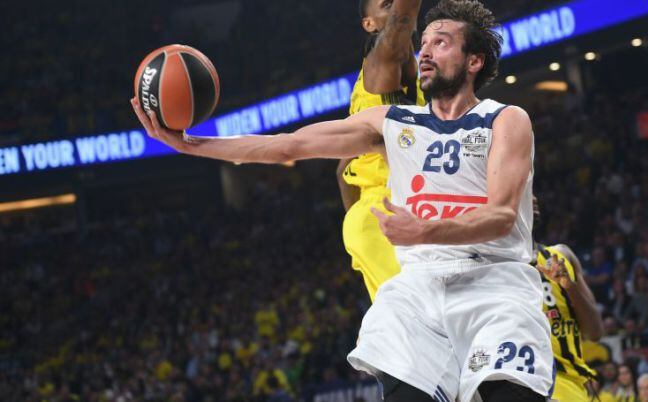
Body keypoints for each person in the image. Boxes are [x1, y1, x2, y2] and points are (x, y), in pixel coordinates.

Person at [130, 1, 553, 401]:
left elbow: (499, 217)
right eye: (423, 42)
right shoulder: (391, 121)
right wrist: (191, 146)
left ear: (474, 61)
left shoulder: (505, 119)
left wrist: (425, 229)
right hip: (420, 286)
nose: (423, 51)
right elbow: (287, 146)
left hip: (493, 283)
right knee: (396, 332)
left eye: (439, 43)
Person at [337, 0, 426, 301]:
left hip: (387, 211)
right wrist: (373, 218)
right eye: (387, 5)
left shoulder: (401, 74)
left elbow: (341, 171)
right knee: (423, 319)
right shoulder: (381, 63)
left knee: (404, 328)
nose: (397, 8)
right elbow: (404, 17)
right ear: (370, 24)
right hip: (385, 209)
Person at [533, 199, 605, 402]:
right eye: (523, 193)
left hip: (569, 385)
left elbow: (595, 331)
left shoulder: (562, 255)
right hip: (527, 380)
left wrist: (568, 285)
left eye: (530, 192)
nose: (534, 198)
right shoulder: (499, 266)